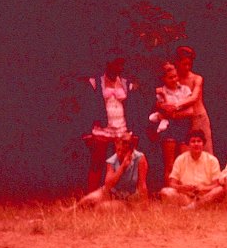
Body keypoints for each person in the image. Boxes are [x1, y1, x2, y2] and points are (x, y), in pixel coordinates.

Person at [82, 56, 139, 194]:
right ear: (107, 65)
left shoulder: (126, 83)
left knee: (120, 163)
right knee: (97, 163)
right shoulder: (95, 82)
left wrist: (134, 130)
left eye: (120, 65)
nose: (117, 68)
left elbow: (134, 108)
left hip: (122, 127)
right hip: (102, 128)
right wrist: (87, 131)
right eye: (115, 65)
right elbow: (87, 107)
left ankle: (119, 194)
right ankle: (92, 195)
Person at [74, 132, 148, 209]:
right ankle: (70, 210)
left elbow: (142, 184)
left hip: (128, 197)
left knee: (102, 208)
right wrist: (122, 167)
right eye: (118, 150)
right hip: (111, 192)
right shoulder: (111, 161)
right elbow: (108, 185)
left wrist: (144, 204)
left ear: (131, 151)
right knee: (88, 200)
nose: (120, 153)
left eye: (124, 152)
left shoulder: (140, 159)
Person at [162, 45, 214, 154]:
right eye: (184, 64)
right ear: (177, 63)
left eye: (189, 64)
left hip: (198, 118)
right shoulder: (174, 79)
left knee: (205, 151)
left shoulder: (196, 78)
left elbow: (194, 97)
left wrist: (175, 106)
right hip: (183, 120)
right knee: (186, 154)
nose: (187, 67)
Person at [150, 61, 193, 185]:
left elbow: (190, 111)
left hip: (184, 127)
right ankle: (170, 191)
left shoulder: (185, 89)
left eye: (175, 76)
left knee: (185, 162)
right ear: (163, 79)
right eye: (170, 77)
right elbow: (167, 108)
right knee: (170, 164)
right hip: (169, 128)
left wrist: (173, 114)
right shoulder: (161, 92)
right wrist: (165, 98)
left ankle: (185, 190)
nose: (174, 79)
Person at [158, 129, 225, 209]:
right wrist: (182, 187)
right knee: (165, 191)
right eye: (193, 141)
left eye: (199, 141)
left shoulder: (212, 160)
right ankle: (195, 207)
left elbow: (217, 184)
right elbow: (172, 184)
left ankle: (189, 208)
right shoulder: (180, 159)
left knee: (219, 190)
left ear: (203, 143)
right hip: (186, 195)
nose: (196, 144)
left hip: (205, 196)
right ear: (188, 144)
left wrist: (204, 188)